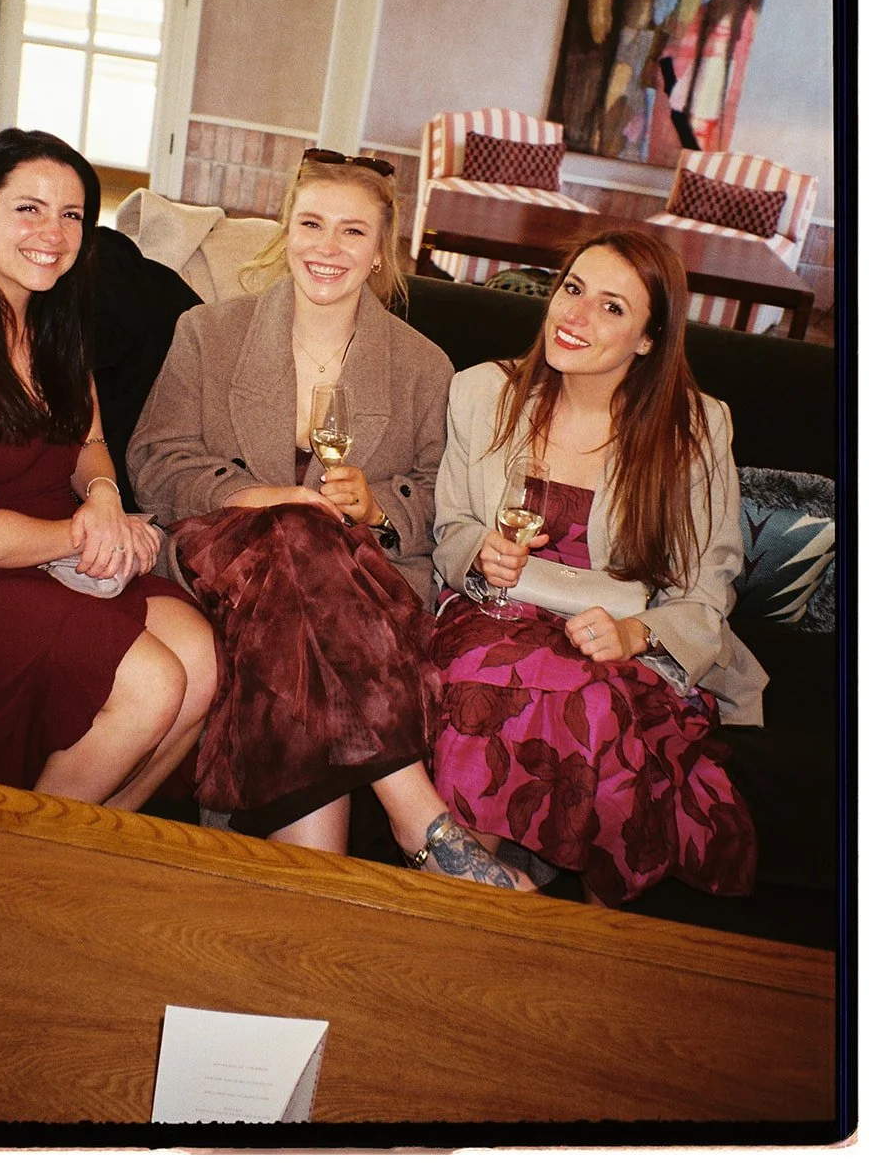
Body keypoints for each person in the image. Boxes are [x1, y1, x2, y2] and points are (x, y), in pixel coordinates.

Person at [127, 149, 533, 889]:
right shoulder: (207, 332)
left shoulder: (422, 366)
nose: (327, 247)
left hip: (361, 587)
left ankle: (308, 894)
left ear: (381, 250)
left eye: (352, 231)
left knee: (307, 552)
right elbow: (154, 458)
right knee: (294, 528)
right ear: (287, 230)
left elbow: (443, 490)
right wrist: (255, 496)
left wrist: (378, 506)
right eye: (311, 224)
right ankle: (421, 819)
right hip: (220, 562)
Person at [0, 129, 216, 808]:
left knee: (201, 662)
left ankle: (90, 843)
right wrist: (94, 535)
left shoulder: (56, 323)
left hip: (52, 554)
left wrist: (107, 498)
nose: (51, 233)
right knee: (151, 685)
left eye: (72, 215)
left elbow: (88, 445)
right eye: (29, 208)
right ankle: (19, 865)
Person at [430, 227, 766, 906]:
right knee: (491, 679)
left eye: (613, 307)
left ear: (649, 338)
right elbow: (450, 528)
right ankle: (467, 910)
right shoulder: (479, 392)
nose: (575, 316)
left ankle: (543, 945)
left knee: (592, 699)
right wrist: (476, 552)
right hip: (494, 615)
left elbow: (707, 586)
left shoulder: (697, 428)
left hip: (621, 638)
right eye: (573, 290)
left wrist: (636, 636)